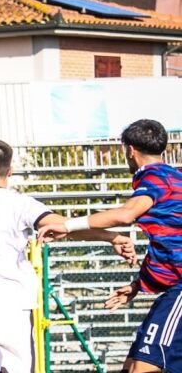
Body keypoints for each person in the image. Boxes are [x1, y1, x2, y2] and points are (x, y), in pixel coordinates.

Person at [0, 139, 136, 373]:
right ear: (10, 170)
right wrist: (111, 237)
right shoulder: (20, 204)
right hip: (11, 308)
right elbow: (66, 226)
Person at [38, 119, 182, 373]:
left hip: (179, 292)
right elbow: (169, 244)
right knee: (131, 367)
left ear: (129, 150)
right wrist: (138, 284)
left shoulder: (156, 176)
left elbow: (127, 214)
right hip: (173, 289)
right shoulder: (172, 177)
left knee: (143, 367)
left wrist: (69, 225)